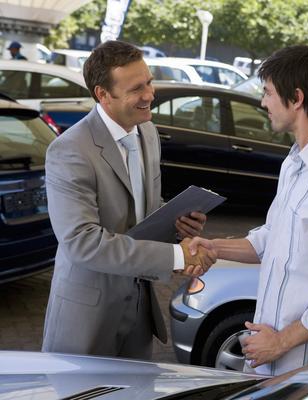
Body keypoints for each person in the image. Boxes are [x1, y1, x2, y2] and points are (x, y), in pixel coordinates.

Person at [189, 45, 308, 375]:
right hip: (270, 356)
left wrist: (281, 341)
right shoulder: (295, 162)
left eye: (268, 92)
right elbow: (271, 239)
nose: (263, 103)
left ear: (297, 98)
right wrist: (214, 247)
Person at [42, 40, 215, 360]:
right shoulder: (70, 150)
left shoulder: (147, 131)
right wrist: (177, 256)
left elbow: (145, 214)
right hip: (88, 318)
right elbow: (83, 243)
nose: (150, 95)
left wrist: (178, 225)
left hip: (140, 309)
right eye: (137, 88)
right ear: (103, 95)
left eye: (149, 82)